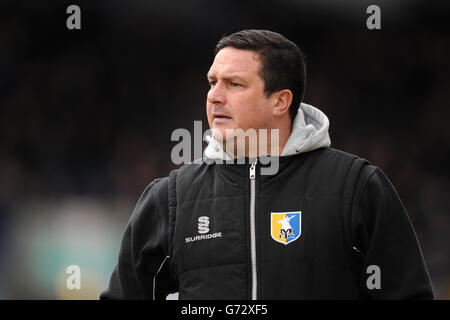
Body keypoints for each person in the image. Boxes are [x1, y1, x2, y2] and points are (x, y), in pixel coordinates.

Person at [100, 29, 434, 299]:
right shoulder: (170, 198)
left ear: (280, 101)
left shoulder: (356, 187)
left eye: (234, 84)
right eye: (212, 82)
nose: (214, 96)